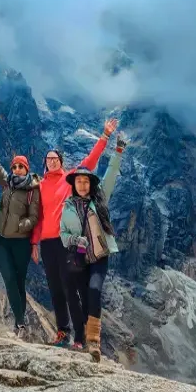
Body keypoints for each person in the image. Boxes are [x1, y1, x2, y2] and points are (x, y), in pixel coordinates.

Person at [31, 118, 118, 349]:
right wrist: (34, 243)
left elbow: (90, 162)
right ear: (44, 162)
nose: (51, 162)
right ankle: (63, 331)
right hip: (48, 242)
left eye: (55, 159)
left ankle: (80, 336)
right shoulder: (40, 186)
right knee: (55, 288)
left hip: (66, 242)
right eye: (48, 159)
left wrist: (105, 136)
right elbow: (39, 215)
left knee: (72, 288)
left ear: (60, 161)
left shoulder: (69, 180)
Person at [60, 133, 128, 362]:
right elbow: (63, 233)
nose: (81, 184)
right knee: (83, 296)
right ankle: (82, 339)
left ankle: (94, 342)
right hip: (78, 257)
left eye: (85, 181)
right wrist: (73, 241)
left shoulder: (99, 199)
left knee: (95, 290)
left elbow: (111, 175)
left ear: (90, 184)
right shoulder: (67, 207)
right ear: (74, 184)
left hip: (98, 255)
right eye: (78, 181)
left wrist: (118, 151)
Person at [0, 123, 40, 339]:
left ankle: (18, 325)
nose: (16, 170)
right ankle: (22, 323)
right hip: (3, 241)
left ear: (27, 169)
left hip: (21, 243)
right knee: (10, 279)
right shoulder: (7, 183)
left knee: (19, 283)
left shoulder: (33, 190)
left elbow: (34, 217)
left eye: (20, 167)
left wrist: (21, 227)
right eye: (14, 167)